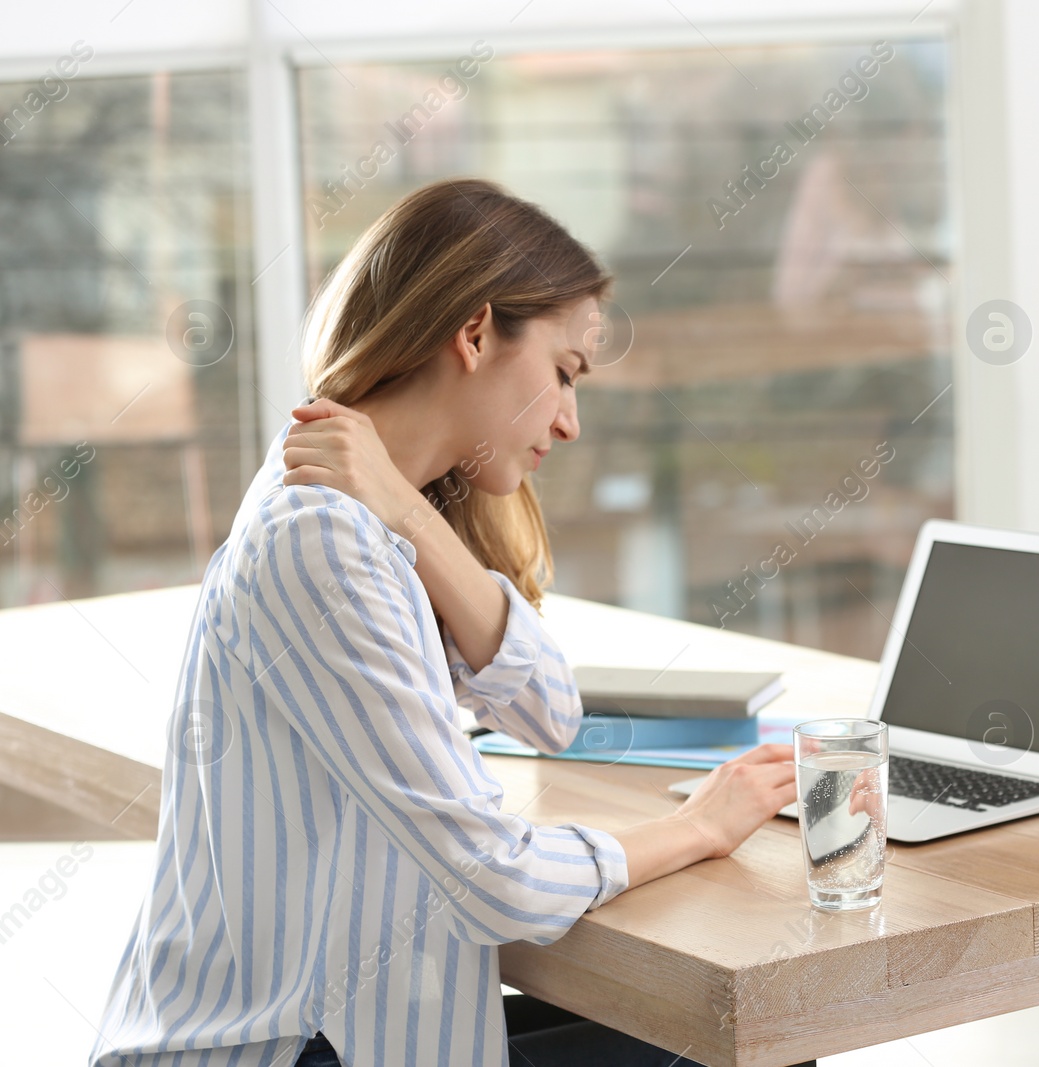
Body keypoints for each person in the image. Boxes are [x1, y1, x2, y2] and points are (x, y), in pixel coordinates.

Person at [89, 178, 798, 1067]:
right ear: (473, 333)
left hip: (347, 1026)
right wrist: (699, 824)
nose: (571, 421)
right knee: (754, 1042)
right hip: (287, 1046)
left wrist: (411, 513)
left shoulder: (372, 507)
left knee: (748, 1036)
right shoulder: (321, 538)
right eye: (565, 373)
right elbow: (494, 881)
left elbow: (551, 710)